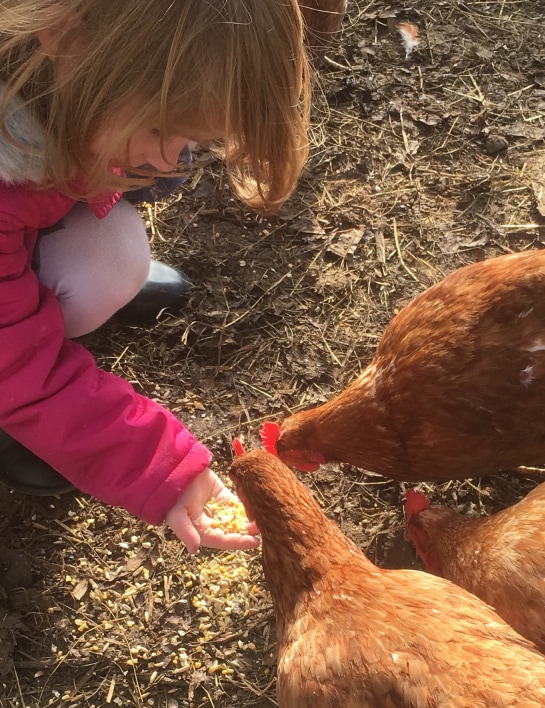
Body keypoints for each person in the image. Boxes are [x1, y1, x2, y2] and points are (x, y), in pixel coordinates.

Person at [0, 0, 310, 553]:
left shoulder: (72, 77)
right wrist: (159, 467)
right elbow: (19, 364)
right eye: (164, 128)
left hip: (27, 200)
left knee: (114, 263)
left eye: (195, 140)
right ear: (64, 37)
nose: (175, 160)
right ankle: (22, 430)